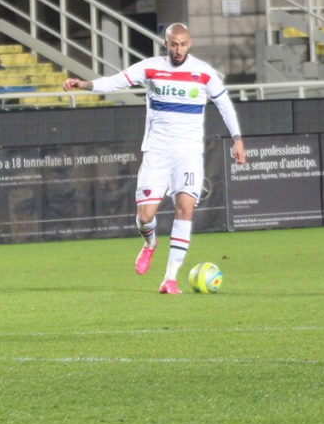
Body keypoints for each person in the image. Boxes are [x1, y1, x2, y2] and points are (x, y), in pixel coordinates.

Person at [63, 22, 246, 294]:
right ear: (165, 44)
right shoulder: (151, 67)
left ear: (190, 43)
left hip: (188, 153)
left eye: (183, 44)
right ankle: (150, 243)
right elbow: (116, 81)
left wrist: (237, 139)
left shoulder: (203, 73)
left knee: (185, 209)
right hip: (157, 152)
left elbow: (224, 105)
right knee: (145, 216)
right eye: (174, 44)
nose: (178, 50)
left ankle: (170, 279)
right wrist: (85, 85)